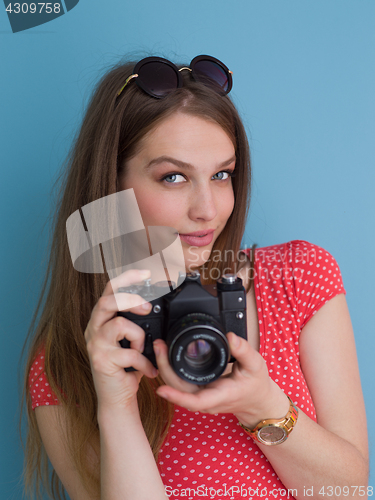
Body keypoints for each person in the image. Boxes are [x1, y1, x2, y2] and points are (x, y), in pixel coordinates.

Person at [23, 55, 369, 500]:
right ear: (112, 185)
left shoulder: (298, 279)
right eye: (173, 177)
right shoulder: (67, 357)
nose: (207, 209)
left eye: (222, 174)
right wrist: (118, 409)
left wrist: (261, 404)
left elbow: (351, 492)